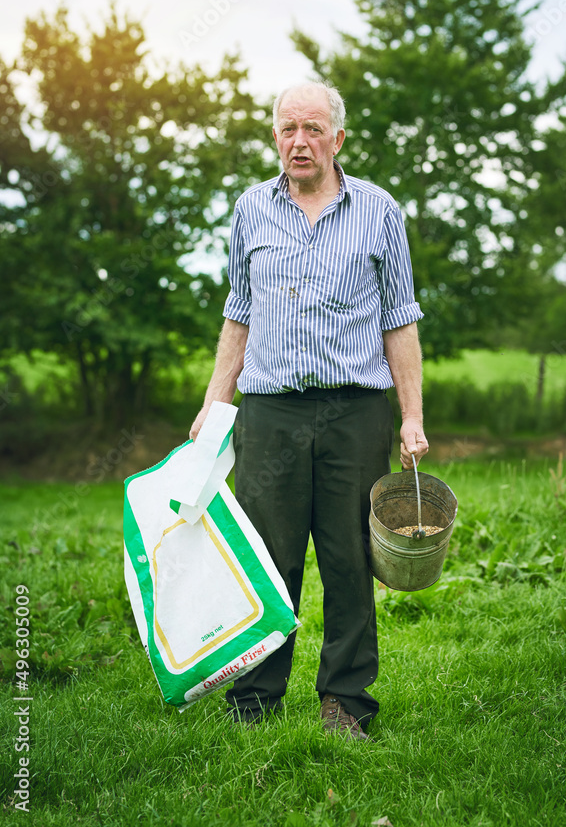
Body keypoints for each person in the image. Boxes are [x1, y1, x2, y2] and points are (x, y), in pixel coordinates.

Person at [190, 80, 428, 739]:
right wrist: (216, 403)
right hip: (270, 414)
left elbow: (399, 319)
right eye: (288, 129)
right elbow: (238, 312)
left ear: (338, 139)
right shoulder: (249, 210)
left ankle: (344, 703)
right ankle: (254, 700)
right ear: (274, 136)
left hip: (355, 412)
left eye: (313, 129)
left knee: (350, 557)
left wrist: (410, 417)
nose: (300, 141)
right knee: (266, 559)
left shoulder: (378, 211)